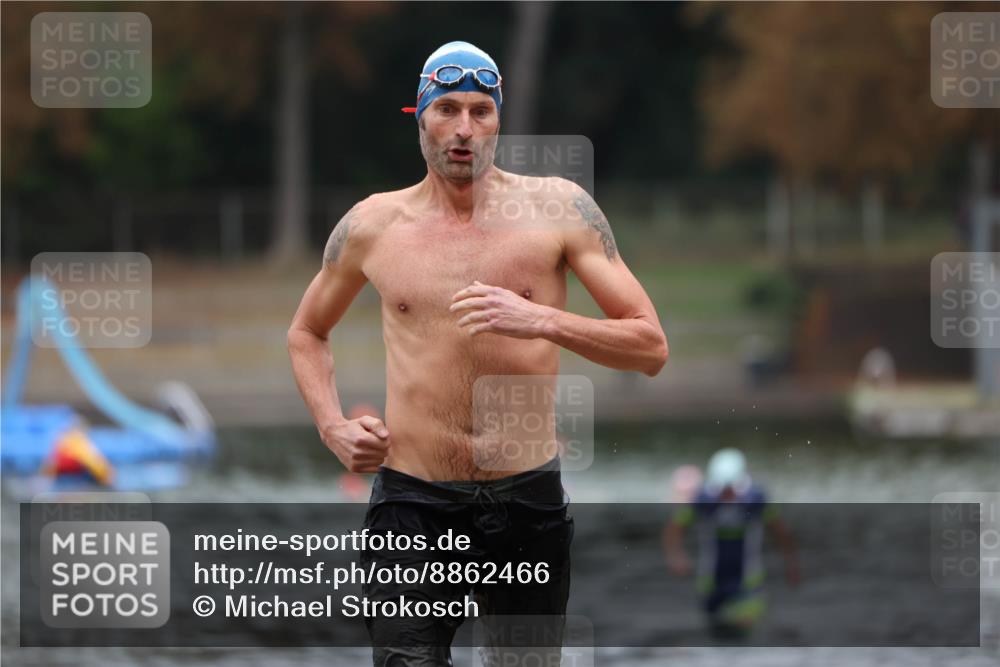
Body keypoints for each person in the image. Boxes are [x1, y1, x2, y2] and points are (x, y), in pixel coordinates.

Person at [288, 40, 667, 666]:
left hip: (525, 503)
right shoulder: (372, 226)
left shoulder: (561, 209)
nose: (464, 129)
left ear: (498, 120)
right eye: (448, 110)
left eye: (480, 111)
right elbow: (307, 331)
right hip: (413, 503)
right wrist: (332, 426)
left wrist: (541, 318)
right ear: (420, 116)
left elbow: (650, 346)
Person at [664, 448, 800, 638]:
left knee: (744, 631)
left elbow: (780, 531)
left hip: (748, 582)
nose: (726, 494)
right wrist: (676, 556)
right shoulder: (703, 500)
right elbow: (675, 529)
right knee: (717, 635)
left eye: (730, 489)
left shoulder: (756, 500)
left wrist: (791, 562)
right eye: (722, 489)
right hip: (711, 582)